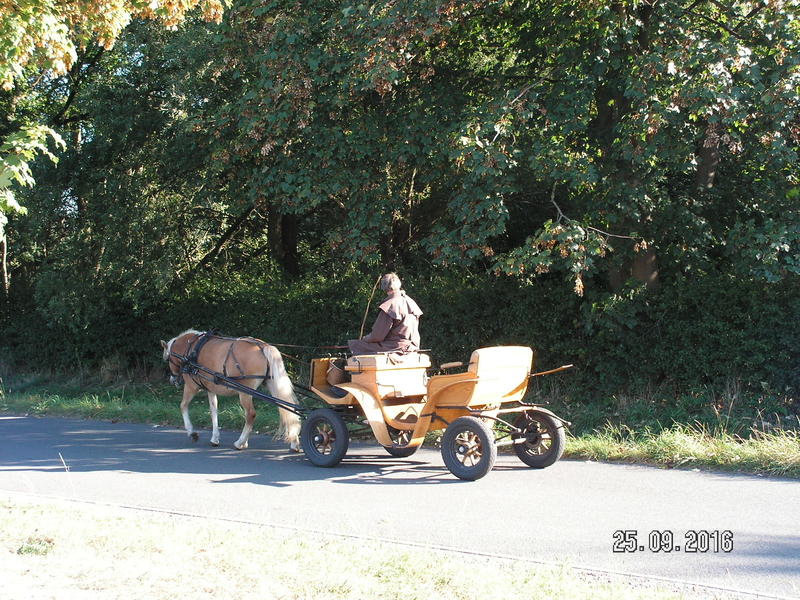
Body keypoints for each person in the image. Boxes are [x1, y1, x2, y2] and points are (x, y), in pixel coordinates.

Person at [347, 273, 423, 355]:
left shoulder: (390, 306)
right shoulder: (410, 302)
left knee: (356, 345)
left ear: (384, 288)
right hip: (413, 347)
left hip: (395, 347)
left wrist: (365, 339)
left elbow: (377, 336)